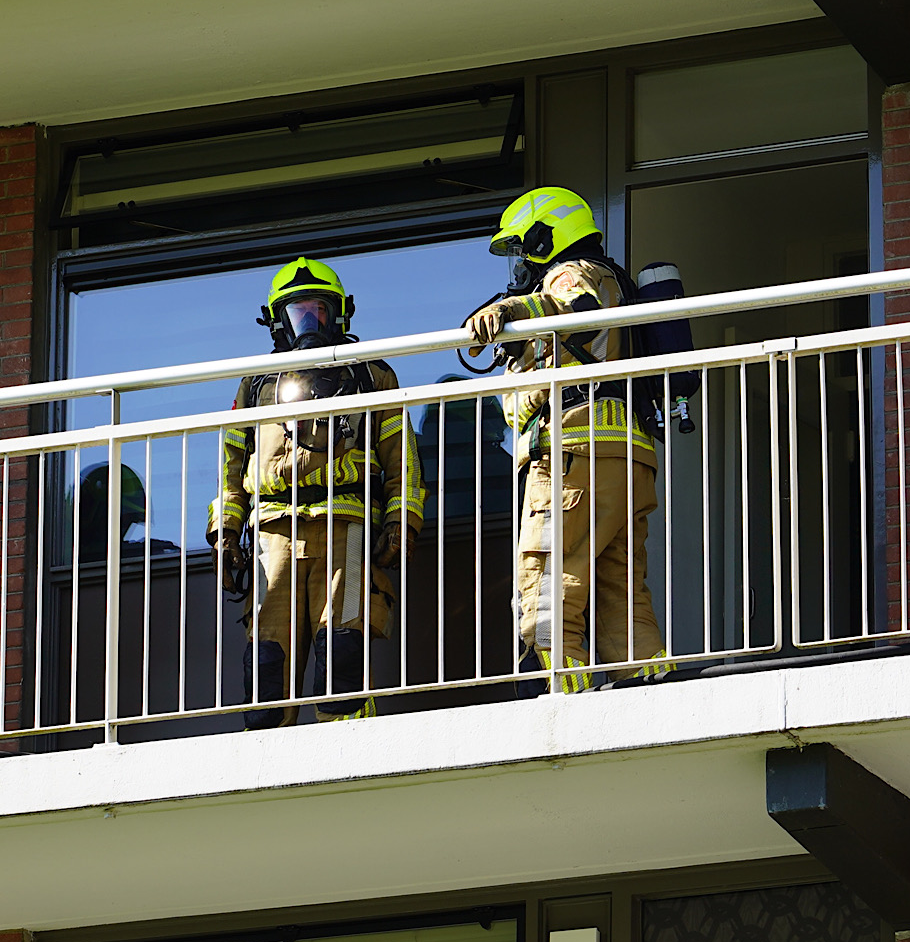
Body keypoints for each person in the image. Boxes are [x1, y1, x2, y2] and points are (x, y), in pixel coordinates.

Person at [466, 188, 668, 692]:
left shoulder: (571, 272)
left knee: (550, 571)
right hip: (628, 455)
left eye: (522, 248)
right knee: (622, 586)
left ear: (545, 236)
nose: (520, 265)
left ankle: (557, 686)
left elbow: (570, 306)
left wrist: (510, 310)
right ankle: (648, 678)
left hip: (574, 450)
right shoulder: (616, 279)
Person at [211, 258, 424, 728]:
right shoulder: (257, 384)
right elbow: (230, 467)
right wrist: (224, 533)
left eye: (318, 311)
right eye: (297, 313)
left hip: (346, 532)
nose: (309, 323)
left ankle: (347, 748)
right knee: (266, 660)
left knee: (343, 649)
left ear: (339, 314)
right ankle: (269, 765)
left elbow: (400, 459)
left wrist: (400, 521)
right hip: (272, 538)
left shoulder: (370, 375)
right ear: (277, 321)